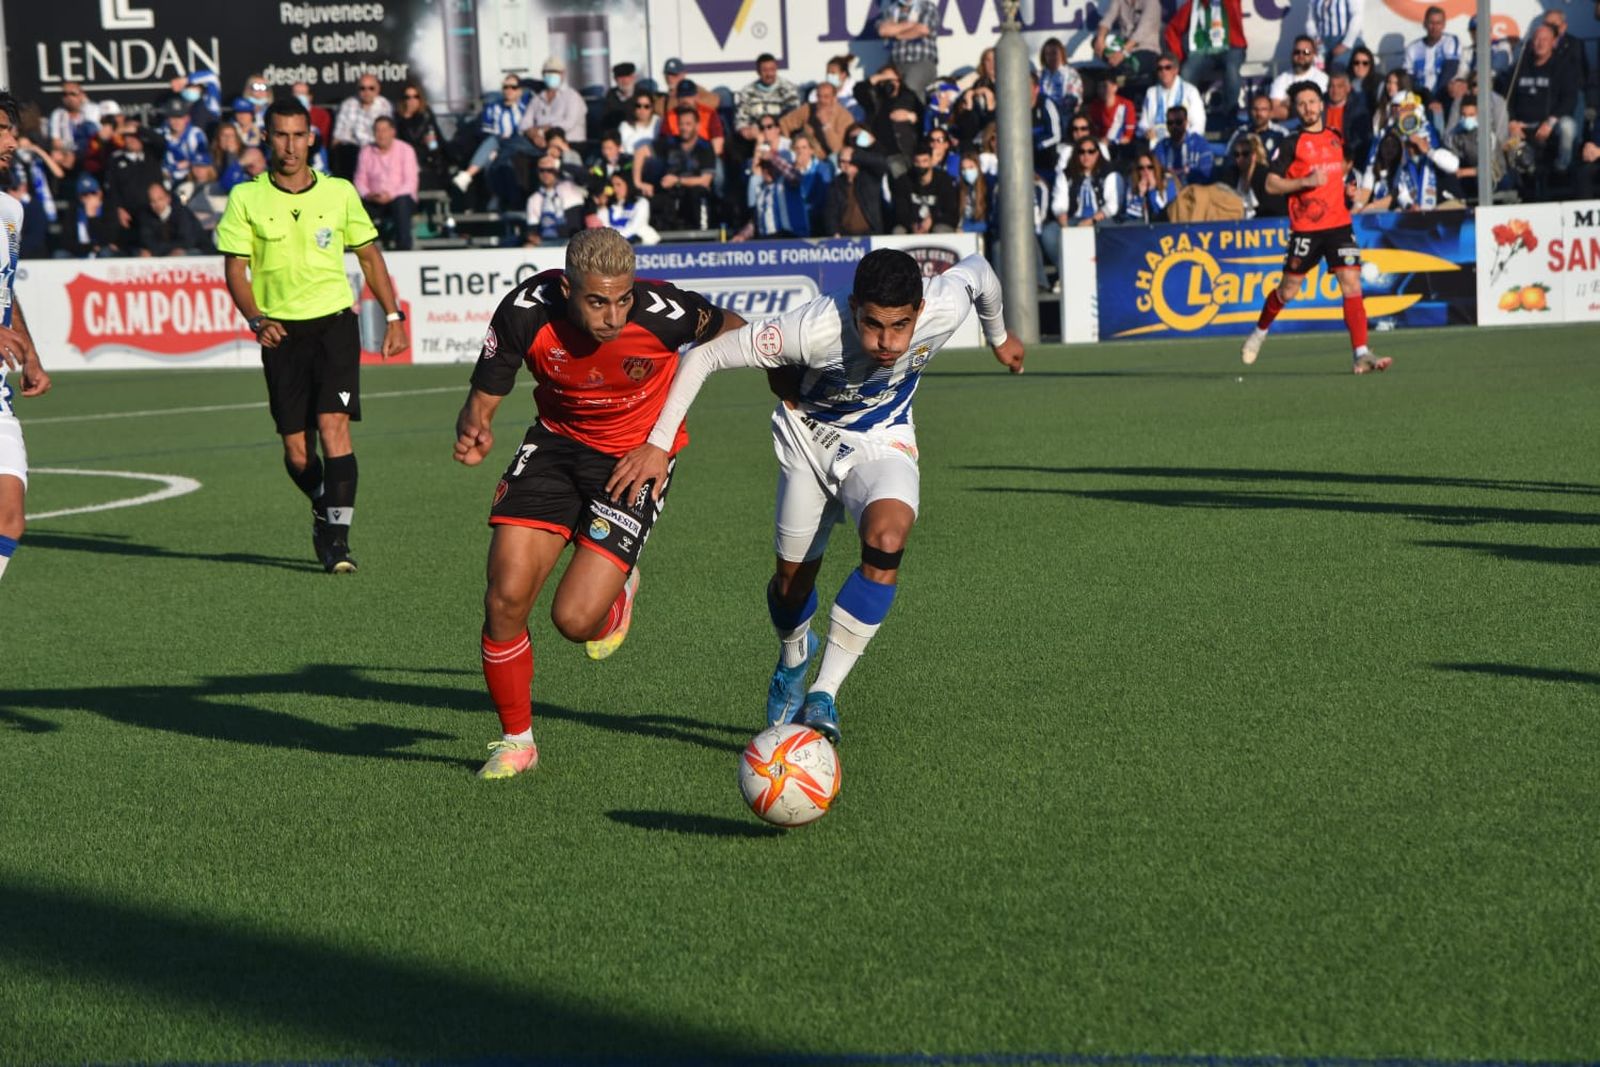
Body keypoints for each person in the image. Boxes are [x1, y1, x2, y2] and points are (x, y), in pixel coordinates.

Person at [604, 248, 1023, 744]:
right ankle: (793, 655)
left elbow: (979, 270)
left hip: (882, 441)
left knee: (888, 537)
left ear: (921, 313)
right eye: (872, 325)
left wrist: (999, 337)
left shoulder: (946, 302)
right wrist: (657, 444)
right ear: (852, 309)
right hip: (807, 440)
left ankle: (823, 694)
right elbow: (706, 355)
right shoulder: (810, 328)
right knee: (790, 587)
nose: (886, 342)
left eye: (900, 326)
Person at [451, 228, 743, 780]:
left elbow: (736, 333)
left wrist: (662, 440)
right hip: (554, 448)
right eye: (597, 301)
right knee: (505, 598)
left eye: (622, 298)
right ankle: (517, 741)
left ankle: (619, 592)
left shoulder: (667, 312)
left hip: (636, 457)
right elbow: (485, 395)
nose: (613, 315)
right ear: (567, 288)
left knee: (576, 620)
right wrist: (476, 425)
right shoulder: (526, 310)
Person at [216, 99, 408, 574]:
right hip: (280, 334)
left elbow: (369, 257)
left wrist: (394, 315)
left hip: (334, 326)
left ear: (311, 138)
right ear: (266, 138)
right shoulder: (246, 198)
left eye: (299, 135)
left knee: (333, 426)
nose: (290, 145)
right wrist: (257, 319)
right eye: (280, 135)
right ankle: (324, 504)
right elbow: (235, 270)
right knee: (297, 452)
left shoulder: (340, 192)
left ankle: (337, 541)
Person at [1242, 81, 1388, 375]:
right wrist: (1303, 182)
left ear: (1321, 104)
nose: (1308, 108)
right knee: (1288, 290)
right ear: (1296, 110)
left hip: (1339, 225)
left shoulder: (1336, 137)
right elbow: (1270, 184)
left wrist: (1350, 190)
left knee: (1351, 282)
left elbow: (1345, 176)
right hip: (1306, 229)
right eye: (1301, 104)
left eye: (1312, 102)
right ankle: (1259, 332)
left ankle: (1361, 353)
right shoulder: (1290, 144)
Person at [0, 91, 51, 587]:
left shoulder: (10, 210)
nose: (13, 140)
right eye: (3, 129)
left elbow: (5, 288)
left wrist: (29, 351)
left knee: (9, 518)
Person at [1163, 0, 1247, 131]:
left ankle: (1231, 115)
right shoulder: (1193, 5)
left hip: (1231, 47)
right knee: (1186, 72)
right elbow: (1172, 29)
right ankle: (1182, 118)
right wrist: (1178, 57)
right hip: (1203, 51)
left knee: (1231, 69)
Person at [354, 115, 419, 250]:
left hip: (399, 198)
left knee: (401, 203)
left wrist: (390, 195)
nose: (381, 134)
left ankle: (404, 248)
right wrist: (369, 195)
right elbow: (359, 180)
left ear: (392, 132)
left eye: (384, 130)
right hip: (374, 199)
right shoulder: (366, 152)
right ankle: (360, 249)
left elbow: (410, 182)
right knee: (353, 206)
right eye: (377, 130)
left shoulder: (406, 150)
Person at [875, 0, 941, 103]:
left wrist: (897, 34)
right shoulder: (892, 9)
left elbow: (923, 29)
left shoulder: (927, 6)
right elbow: (883, 30)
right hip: (896, 64)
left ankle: (917, 115)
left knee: (911, 84)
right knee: (882, 87)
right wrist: (910, 25)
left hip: (922, 62)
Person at [1094, 0, 1165, 90]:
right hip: (1125, 51)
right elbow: (1107, 19)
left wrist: (1122, 53)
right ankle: (1116, 77)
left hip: (1147, 50)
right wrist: (1100, 39)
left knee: (1128, 67)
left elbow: (1141, 32)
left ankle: (1116, 78)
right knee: (1095, 42)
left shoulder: (1152, 3)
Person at [890, 139, 957, 233]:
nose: (921, 165)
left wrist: (933, 220)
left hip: (937, 223)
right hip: (911, 225)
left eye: (925, 161)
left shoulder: (944, 180)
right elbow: (900, 212)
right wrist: (913, 224)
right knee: (898, 231)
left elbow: (951, 211)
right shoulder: (903, 181)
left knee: (941, 229)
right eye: (917, 162)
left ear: (931, 161)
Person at [1138, 54, 1207, 144]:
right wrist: (1146, 132)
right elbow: (1143, 123)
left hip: (1184, 143)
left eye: (1167, 68)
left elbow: (1199, 124)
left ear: (1176, 70)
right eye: (1160, 68)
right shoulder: (1151, 93)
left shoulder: (1190, 91)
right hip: (1156, 144)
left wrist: (1184, 138)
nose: (1163, 71)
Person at [522, 156, 588, 246]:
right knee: (528, 247)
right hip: (547, 242)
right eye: (542, 170)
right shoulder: (534, 199)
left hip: (572, 240)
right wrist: (532, 236)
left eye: (550, 170)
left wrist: (558, 164)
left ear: (556, 171)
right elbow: (532, 228)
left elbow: (584, 174)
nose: (545, 174)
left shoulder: (569, 186)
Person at [1403, 5, 1461, 103]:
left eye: (1438, 23)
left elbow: (1450, 70)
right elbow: (1408, 77)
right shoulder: (1412, 48)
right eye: (1431, 23)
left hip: (1444, 95)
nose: (1434, 27)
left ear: (1443, 25)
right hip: (1420, 96)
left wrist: (1435, 98)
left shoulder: (1451, 41)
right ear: (1425, 24)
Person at [137, 181, 209, 255]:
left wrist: (171, 250)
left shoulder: (182, 213)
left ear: (168, 199)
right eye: (153, 201)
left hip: (197, 251)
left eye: (160, 199)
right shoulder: (146, 217)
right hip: (164, 253)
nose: (157, 204)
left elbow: (188, 240)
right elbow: (147, 241)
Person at [1269, 36, 1330, 122]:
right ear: (1292, 54)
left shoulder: (1322, 79)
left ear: (1313, 55)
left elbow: (1319, 109)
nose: (1301, 55)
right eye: (1297, 52)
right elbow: (1274, 111)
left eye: (1306, 52)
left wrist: (1289, 104)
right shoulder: (1281, 80)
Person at [1153, 105, 1213, 184]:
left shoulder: (1201, 145)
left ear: (1186, 122)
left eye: (1178, 122)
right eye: (1170, 123)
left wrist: (1181, 174)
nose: (1174, 126)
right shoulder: (1160, 147)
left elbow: (1206, 176)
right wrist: (1182, 172)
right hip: (1168, 192)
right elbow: (1154, 174)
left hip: (1194, 191)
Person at [1124, 149, 1181, 222]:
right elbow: (1131, 215)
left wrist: (1152, 190)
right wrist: (1140, 195)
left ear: (1155, 168)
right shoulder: (1133, 183)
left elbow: (1164, 213)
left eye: (1150, 167)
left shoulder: (1168, 182)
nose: (1146, 171)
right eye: (1141, 168)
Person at [1309, 0, 1364, 73]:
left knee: (1338, 69)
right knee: (1318, 70)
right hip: (1323, 42)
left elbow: (1357, 17)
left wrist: (1345, 44)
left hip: (1347, 40)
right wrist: (1315, 38)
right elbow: (1311, 20)